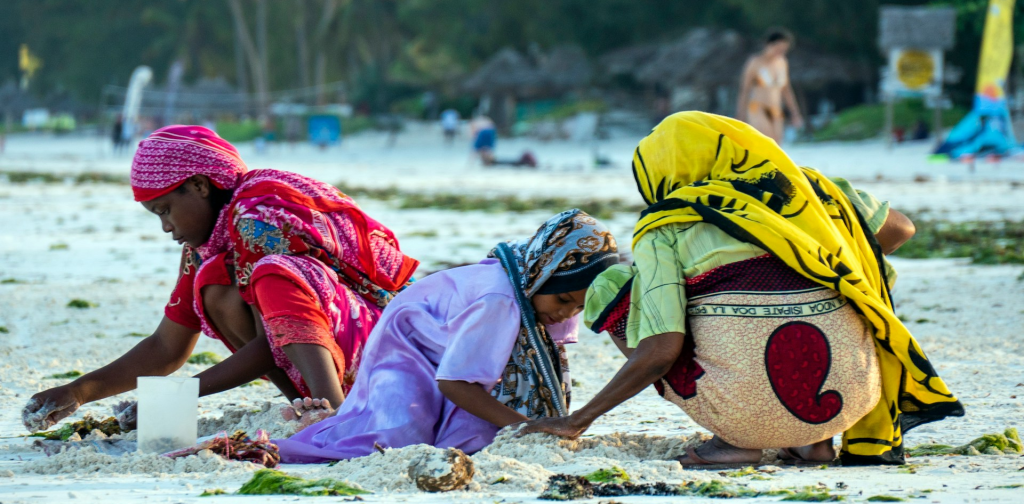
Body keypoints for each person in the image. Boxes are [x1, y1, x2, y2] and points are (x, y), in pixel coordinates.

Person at [520, 112, 963, 467]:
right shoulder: (810, 190)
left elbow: (662, 348)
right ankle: (815, 442)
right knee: (853, 271)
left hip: (745, 414)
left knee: (618, 285)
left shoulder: (668, 224)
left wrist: (578, 420)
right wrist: (817, 249)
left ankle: (736, 440)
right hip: (851, 401)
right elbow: (901, 229)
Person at [23, 125, 418, 433]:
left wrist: (176, 396)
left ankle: (332, 411)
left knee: (271, 274)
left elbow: (273, 343)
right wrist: (79, 392)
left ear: (199, 185)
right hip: (351, 349)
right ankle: (315, 404)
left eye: (166, 210)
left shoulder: (258, 218)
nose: (165, 227)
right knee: (215, 285)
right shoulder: (208, 246)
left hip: (392, 351)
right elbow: (167, 345)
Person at [275, 209, 619, 462]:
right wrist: (526, 427)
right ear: (543, 275)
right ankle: (314, 434)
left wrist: (522, 424)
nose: (564, 314)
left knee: (479, 429)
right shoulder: (500, 300)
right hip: (407, 349)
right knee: (394, 440)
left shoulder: (524, 284)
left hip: (444, 351)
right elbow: (455, 384)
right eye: (562, 299)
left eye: (577, 308)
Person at [736, 28, 804, 144]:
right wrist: (740, 115)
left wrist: (795, 112)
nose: (780, 52)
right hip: (758, 108)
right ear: (768, 45)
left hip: (776, 109)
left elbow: (786, 90)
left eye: (783, 50)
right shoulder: (755, 63)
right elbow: (745, 90)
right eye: (778, 49)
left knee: (777, 144)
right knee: (767, 141)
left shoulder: (782, 62)